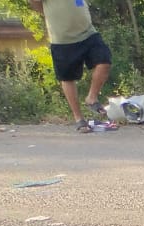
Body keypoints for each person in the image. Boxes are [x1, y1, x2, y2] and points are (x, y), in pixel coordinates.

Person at [28, 0, 113, 132]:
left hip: (88, 33)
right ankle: (79, 119)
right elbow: (34, 3)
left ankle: (91, 98)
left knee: (104, 61)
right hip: (62, 38)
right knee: (67, 78)